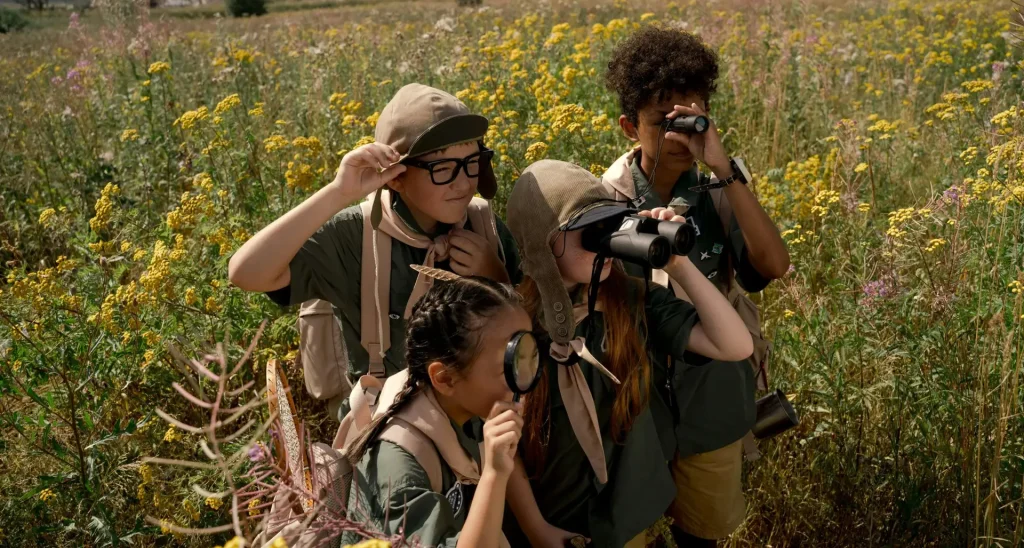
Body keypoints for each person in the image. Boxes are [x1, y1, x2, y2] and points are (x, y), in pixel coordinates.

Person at [602, 26, 791, 546]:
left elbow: (772, 265)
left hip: (712, 392)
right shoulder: (607, 196)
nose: (680, 135)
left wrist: (725, 168)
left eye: (692, 117)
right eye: (663, 122)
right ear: (628, 127)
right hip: (636, 400)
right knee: (631, 526)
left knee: (704, 532)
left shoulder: (719, 187)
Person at [228, 84, 520, 419]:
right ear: (396, 177)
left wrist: (494, 276)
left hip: (489, 424)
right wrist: (340, 191)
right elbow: (245, 273)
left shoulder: (484, 225)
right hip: (391, 424)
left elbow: (532, 329)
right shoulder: (357, 235)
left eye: (471, 163)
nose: (463, 182)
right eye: (442, 169)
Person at [501, 160, 753, 547]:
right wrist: (536, 527)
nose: (603, 236)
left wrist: (679, 266)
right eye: (587, 229)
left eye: (610, 223)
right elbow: (502, 441)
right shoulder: (511, 324)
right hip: (551, 515)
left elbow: (735, 345)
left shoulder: (632, 299)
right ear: (541, 242)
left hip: (623, 512)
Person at [339, 275, 527, 548]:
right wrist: (494, 475)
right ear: (445, 378)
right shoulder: (398, 470)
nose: (524, 378)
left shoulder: (460, 407)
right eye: (507, 365)